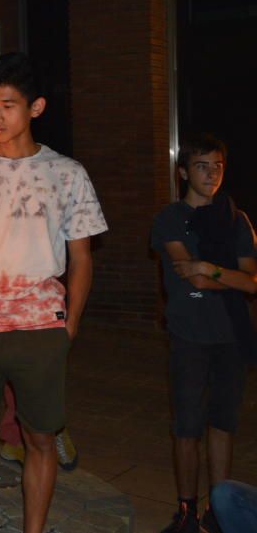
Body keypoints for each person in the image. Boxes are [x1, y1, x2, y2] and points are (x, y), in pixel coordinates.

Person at [0, 52, 107, 533]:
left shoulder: (67, 174)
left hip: (39, 328)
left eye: (7, 105)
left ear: (35, 108)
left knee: (39, 439)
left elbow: (82, 258)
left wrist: (70, 324)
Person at [151, 134, 256, 533]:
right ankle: (186, 511)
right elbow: (188, 274)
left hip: (231, 334)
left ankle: (219, 509)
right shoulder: (170, 218)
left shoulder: (237, 219)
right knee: (187, 426)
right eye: (201, 166)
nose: (211, 174)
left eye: (217, 167)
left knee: (223, 423)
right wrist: (227, 277)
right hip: (189, 334)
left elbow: (251, 282)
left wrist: (207, 269)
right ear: (183, 172)